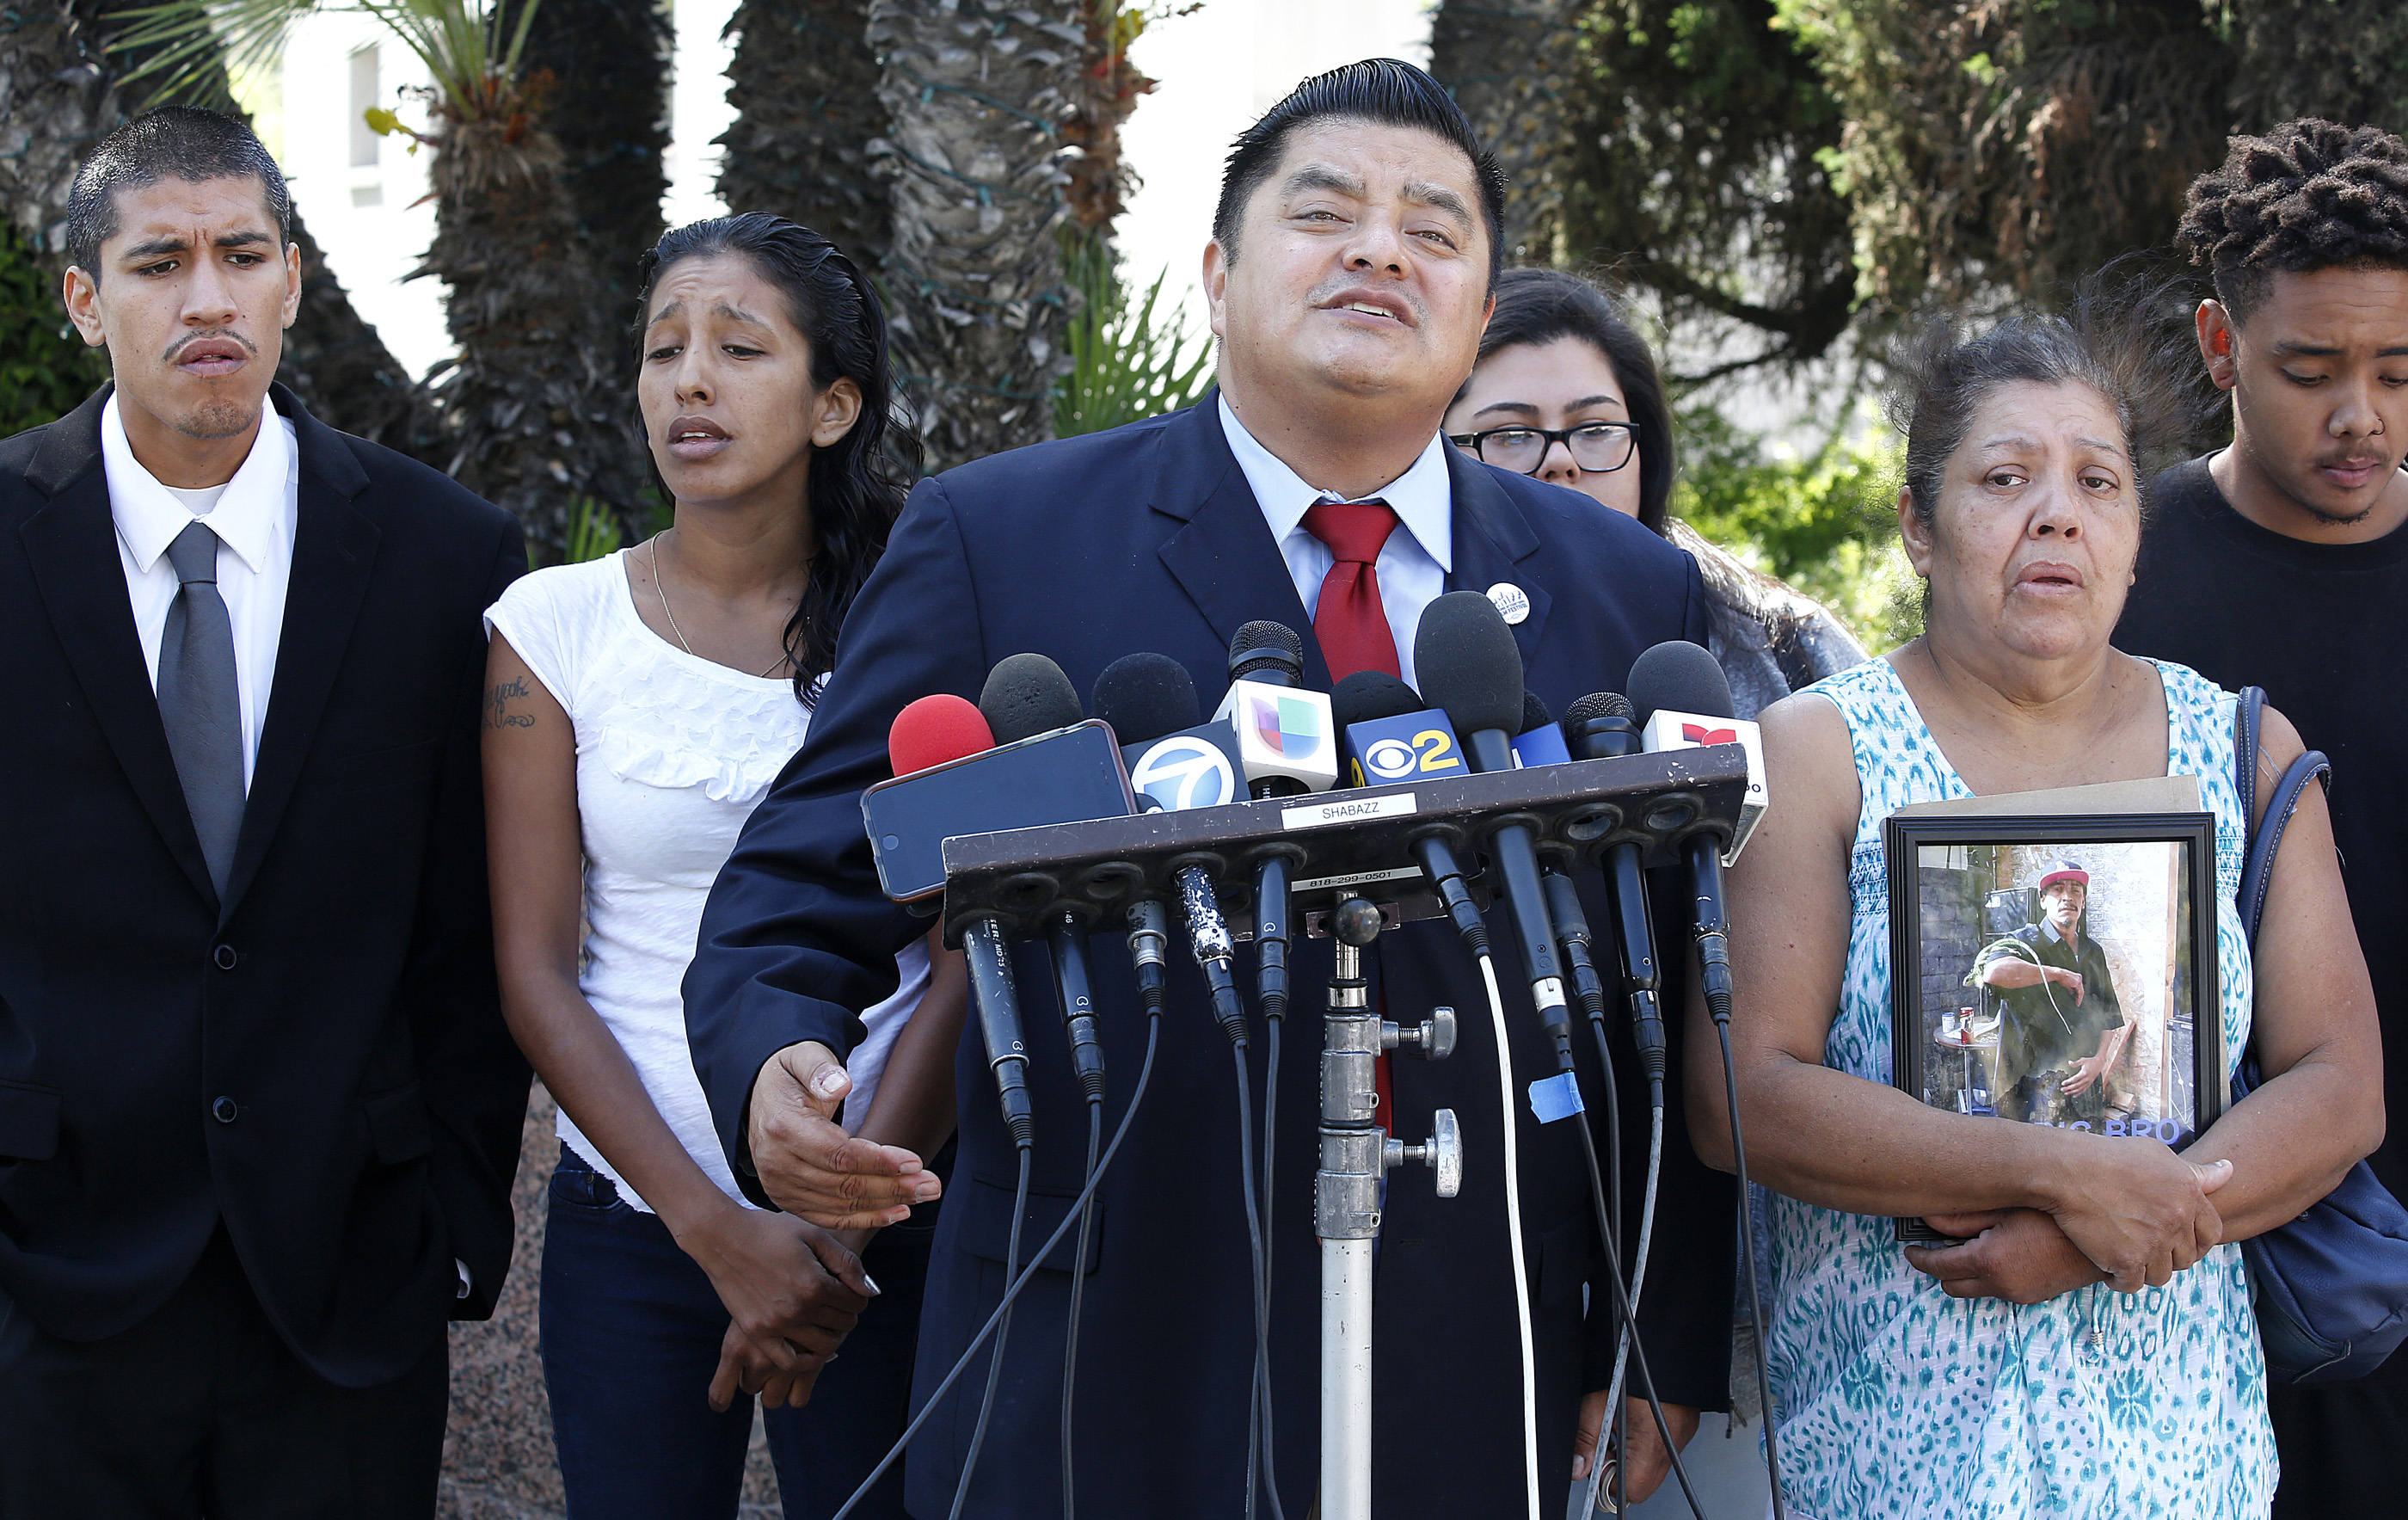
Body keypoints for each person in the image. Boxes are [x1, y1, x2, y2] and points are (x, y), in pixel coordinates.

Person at [682, 59, 1735, 1517]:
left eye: (1435, 230)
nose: (1381, 248)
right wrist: (771, 1069)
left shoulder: (1620, 587)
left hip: (1478, 1341)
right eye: (1327, 213)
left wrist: (1658, 1322)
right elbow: (798, 885)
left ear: (1481, 315)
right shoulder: (1003, 542)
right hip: (1102, 1348)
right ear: (1219, 271)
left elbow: (1682, 980)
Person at [1693, 305, 2383, 1516]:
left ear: (2133, 535)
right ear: (1919, 523)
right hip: (1894, 1451)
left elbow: (2340, 1083)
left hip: (2183, 1460)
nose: (2055, 511)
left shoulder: (2241, 747)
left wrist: (2105, 1225)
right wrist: (2058, 1171)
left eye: (2098, 481)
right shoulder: (1818, 753)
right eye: (2004, 476)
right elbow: (1742, 1090)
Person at [0, 107, 529, 1516]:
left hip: (349, 1269)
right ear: (82, 296)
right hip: (53, 1270)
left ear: (294, 277)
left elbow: (471, 919)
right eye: (160, 261)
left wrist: (459, 1212)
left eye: (243, 254)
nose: (209, 298)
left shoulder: (445, 555)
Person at [482, 213, 965, 1520]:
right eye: (663, 349)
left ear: (833, 404)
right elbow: (535, 969)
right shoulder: (553, 624)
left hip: (887, 1227)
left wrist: (838, 1239)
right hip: (636, 1226)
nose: (689, 380)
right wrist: (714, 1227)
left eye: (740, 348)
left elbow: (968, 950)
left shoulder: (923, 628)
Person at [2112, 118, 2408, 1515]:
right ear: (2221, 346)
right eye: (2313, 370)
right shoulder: (2117, 569)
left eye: (2401, 371)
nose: (2364, 414)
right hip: (2198, 1233)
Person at [1441, 267, 1865, 717]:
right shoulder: (1391, 617)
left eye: (1596, 427)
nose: (1561, 461)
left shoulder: (1787, 648)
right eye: (1509, 434)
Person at [1970, 865, 2129, 1125]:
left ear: (2083, 901)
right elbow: (1994, 972)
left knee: (2085, 1160)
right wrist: (2058, 974)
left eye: (2076, 890)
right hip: (2031, 1090)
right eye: (2057, 890)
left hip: (2084, 1087)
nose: (2068, 896)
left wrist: (2098, 1061)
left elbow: (2108, 1017)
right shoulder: (2022, 943)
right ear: (2043, 900)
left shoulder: (2093, 952)